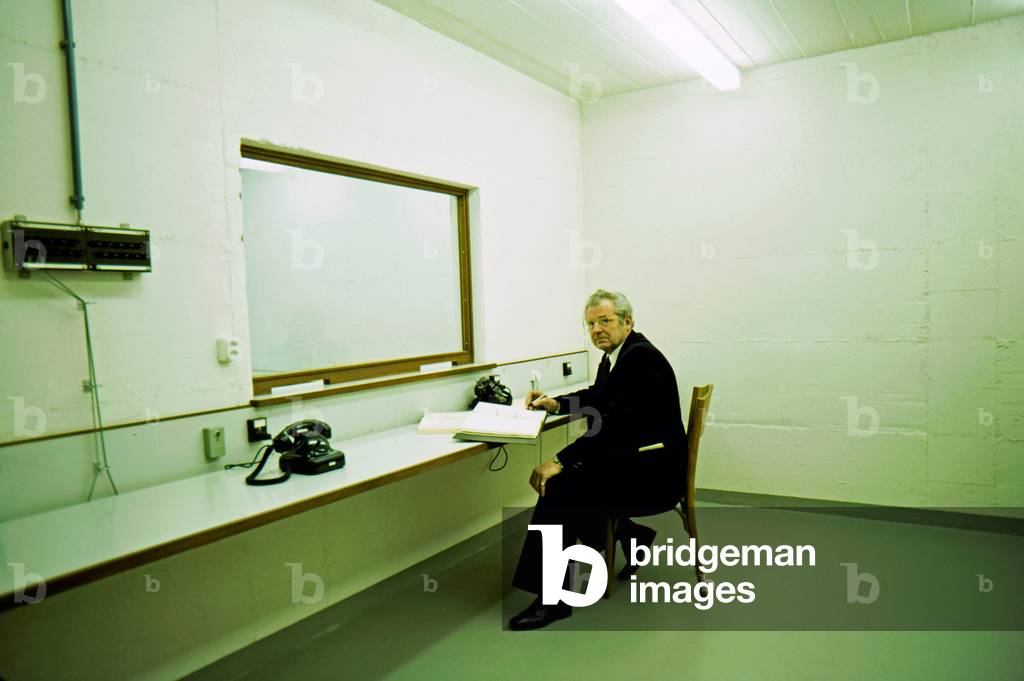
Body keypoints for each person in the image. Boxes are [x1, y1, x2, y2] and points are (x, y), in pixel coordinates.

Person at [507, 289, 688, 630]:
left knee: (559, 487)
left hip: (656, 476)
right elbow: (598, 399)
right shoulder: (619, 356)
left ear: (627, 321)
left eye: (605, 321)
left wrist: (560, 460)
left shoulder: (640, 359)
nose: (597, 330)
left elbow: (615, 427)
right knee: (575, 480)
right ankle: (632, 536)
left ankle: (553, 599)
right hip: (639, 460)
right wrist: (556, 403)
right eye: (590, 324)